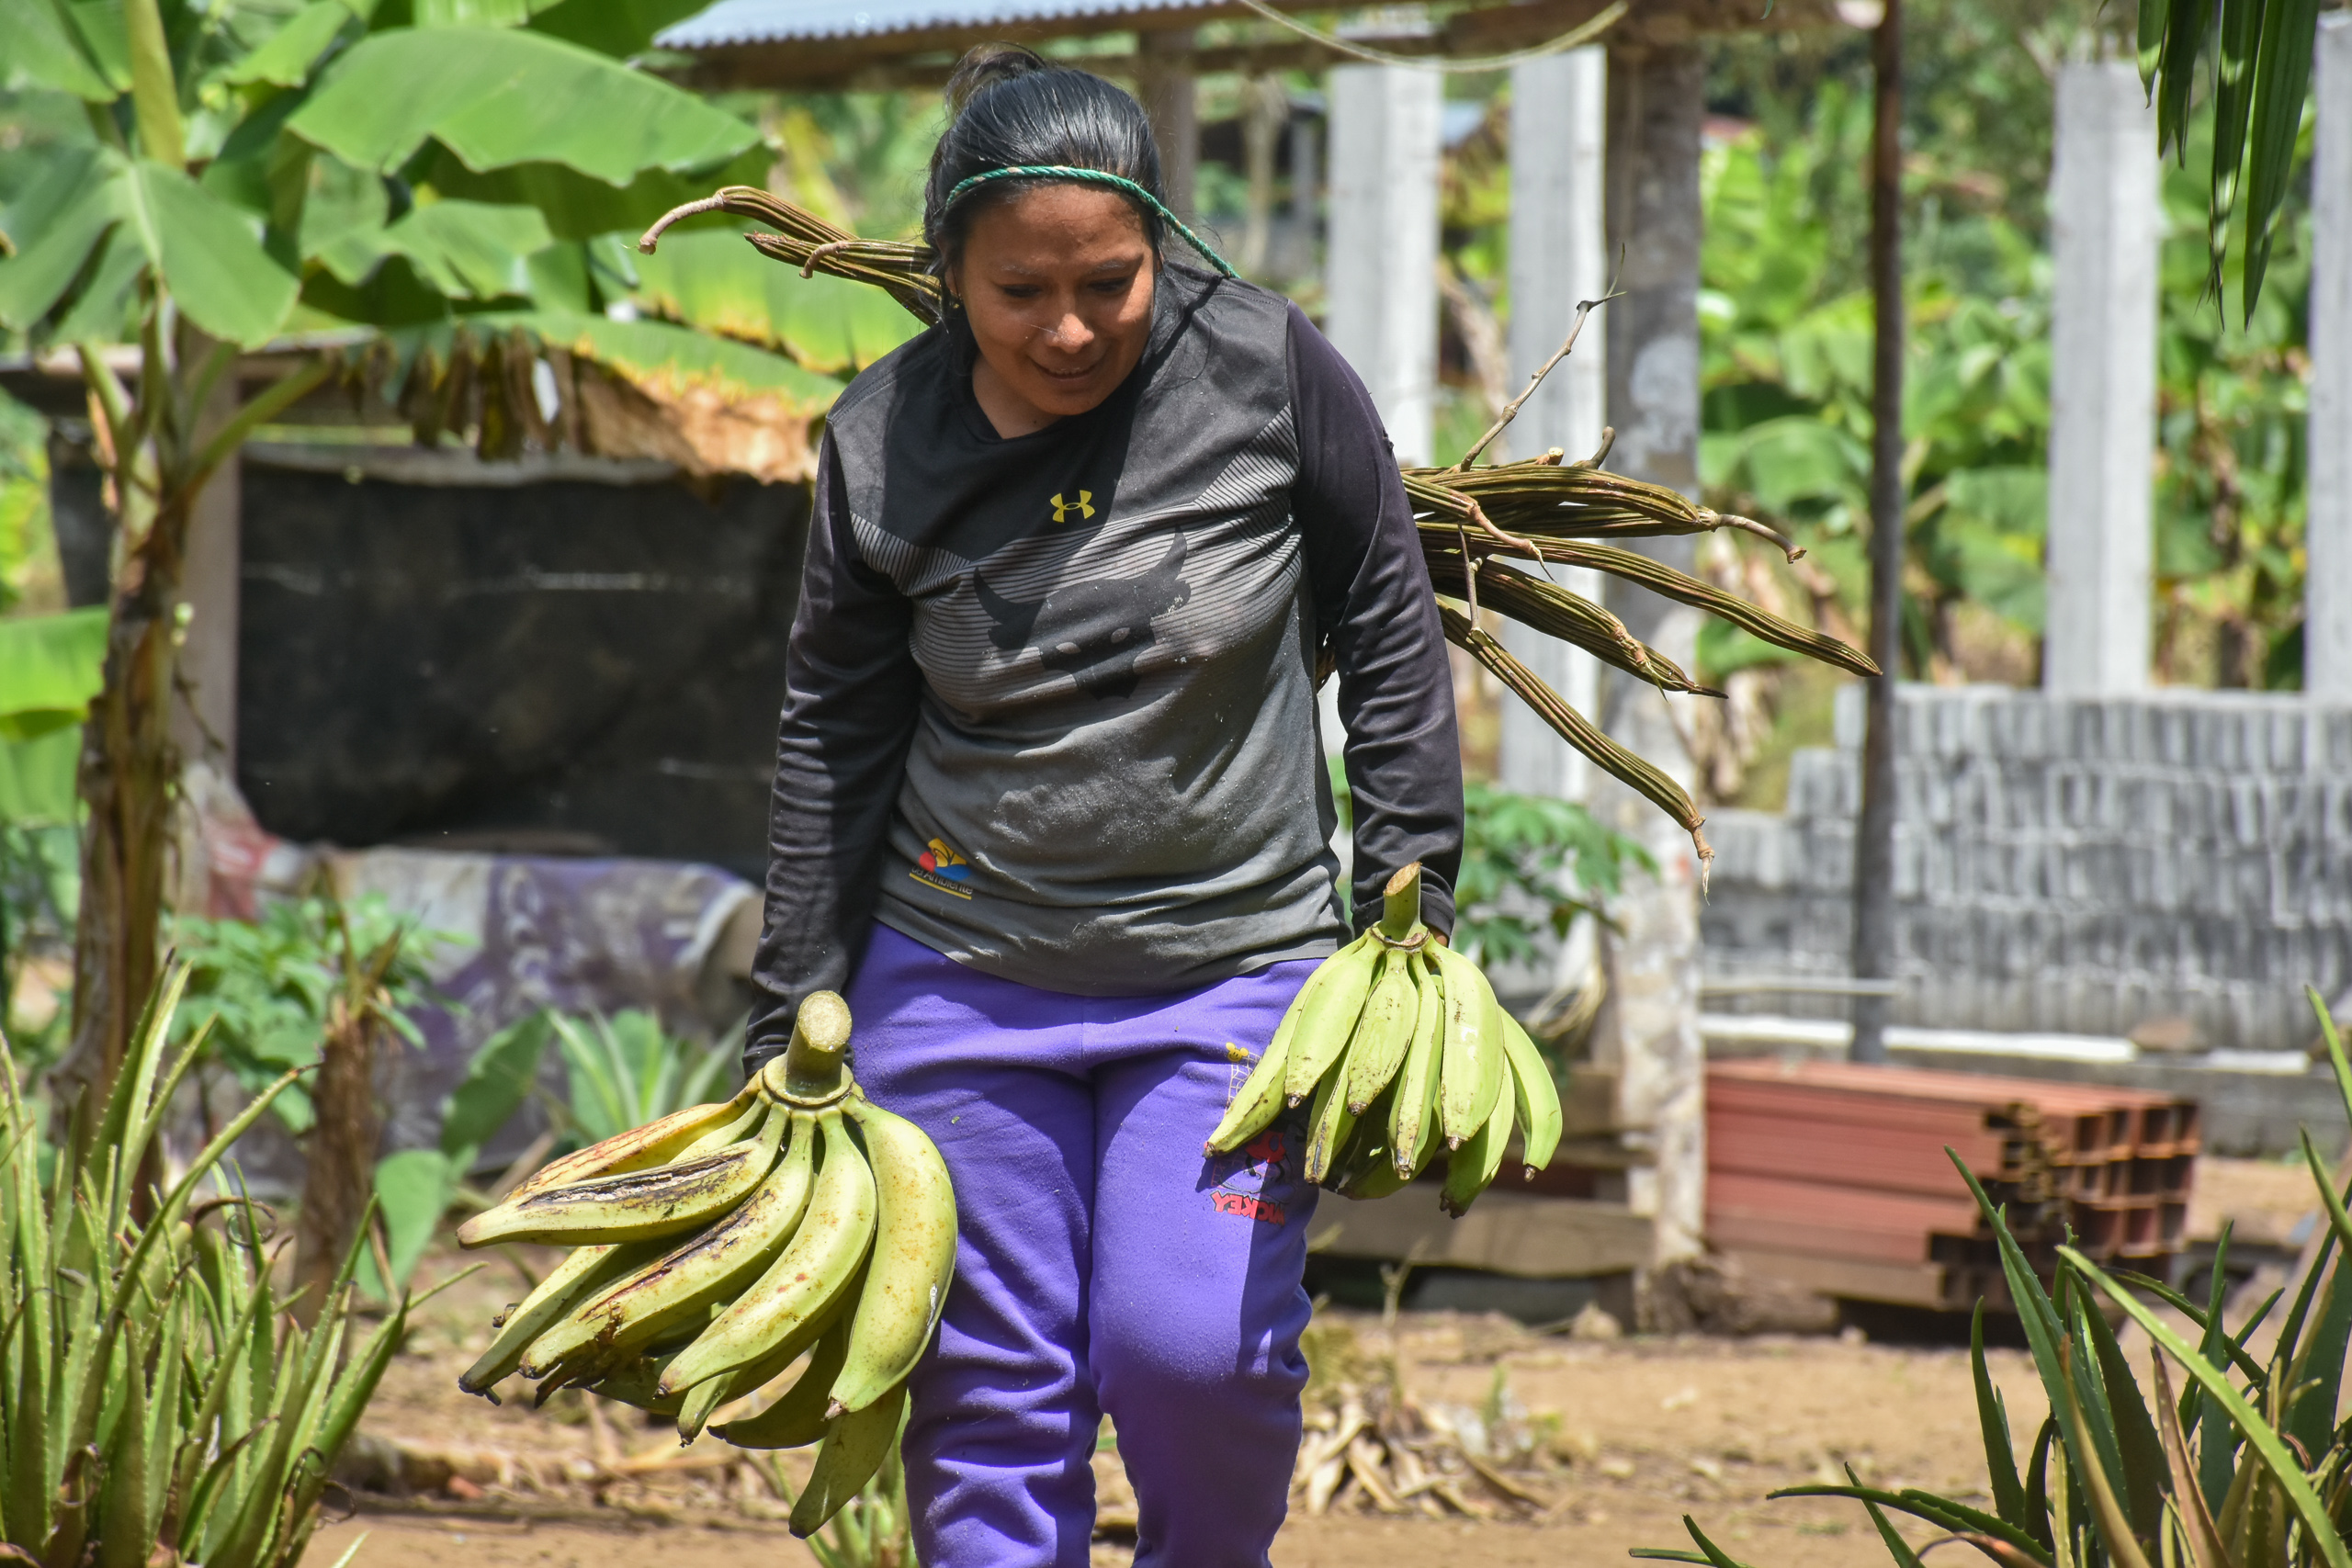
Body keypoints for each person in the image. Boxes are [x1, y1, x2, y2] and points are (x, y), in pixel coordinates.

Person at [742, 43, 1462, 1568]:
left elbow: (1390, 632)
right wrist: (788, 1008)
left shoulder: (1270, 372)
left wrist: (1415, 896)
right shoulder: (880, 446)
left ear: (1159, 241)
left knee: (1194, 1355)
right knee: (993, 1394)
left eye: (1112, 282)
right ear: (949, 275)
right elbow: (833, 736)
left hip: (1231, 978)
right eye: (1022, 294)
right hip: (955, 979)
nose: (1071, 328)